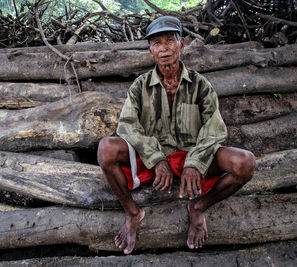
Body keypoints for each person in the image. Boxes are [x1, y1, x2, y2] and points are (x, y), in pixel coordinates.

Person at [97, 16, 256, 255]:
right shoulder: (140, 86)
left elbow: (215, 129)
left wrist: (195, 162)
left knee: (245, 163)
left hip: (191, 157)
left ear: (181, 45)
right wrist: (156, 158)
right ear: (150, 50)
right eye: (157, 43)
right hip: (152, 160)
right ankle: (132, 213)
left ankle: (198, 207)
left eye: (170, 41)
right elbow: (128, 127)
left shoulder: (200, 85)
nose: (164, 48)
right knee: (106, 148)